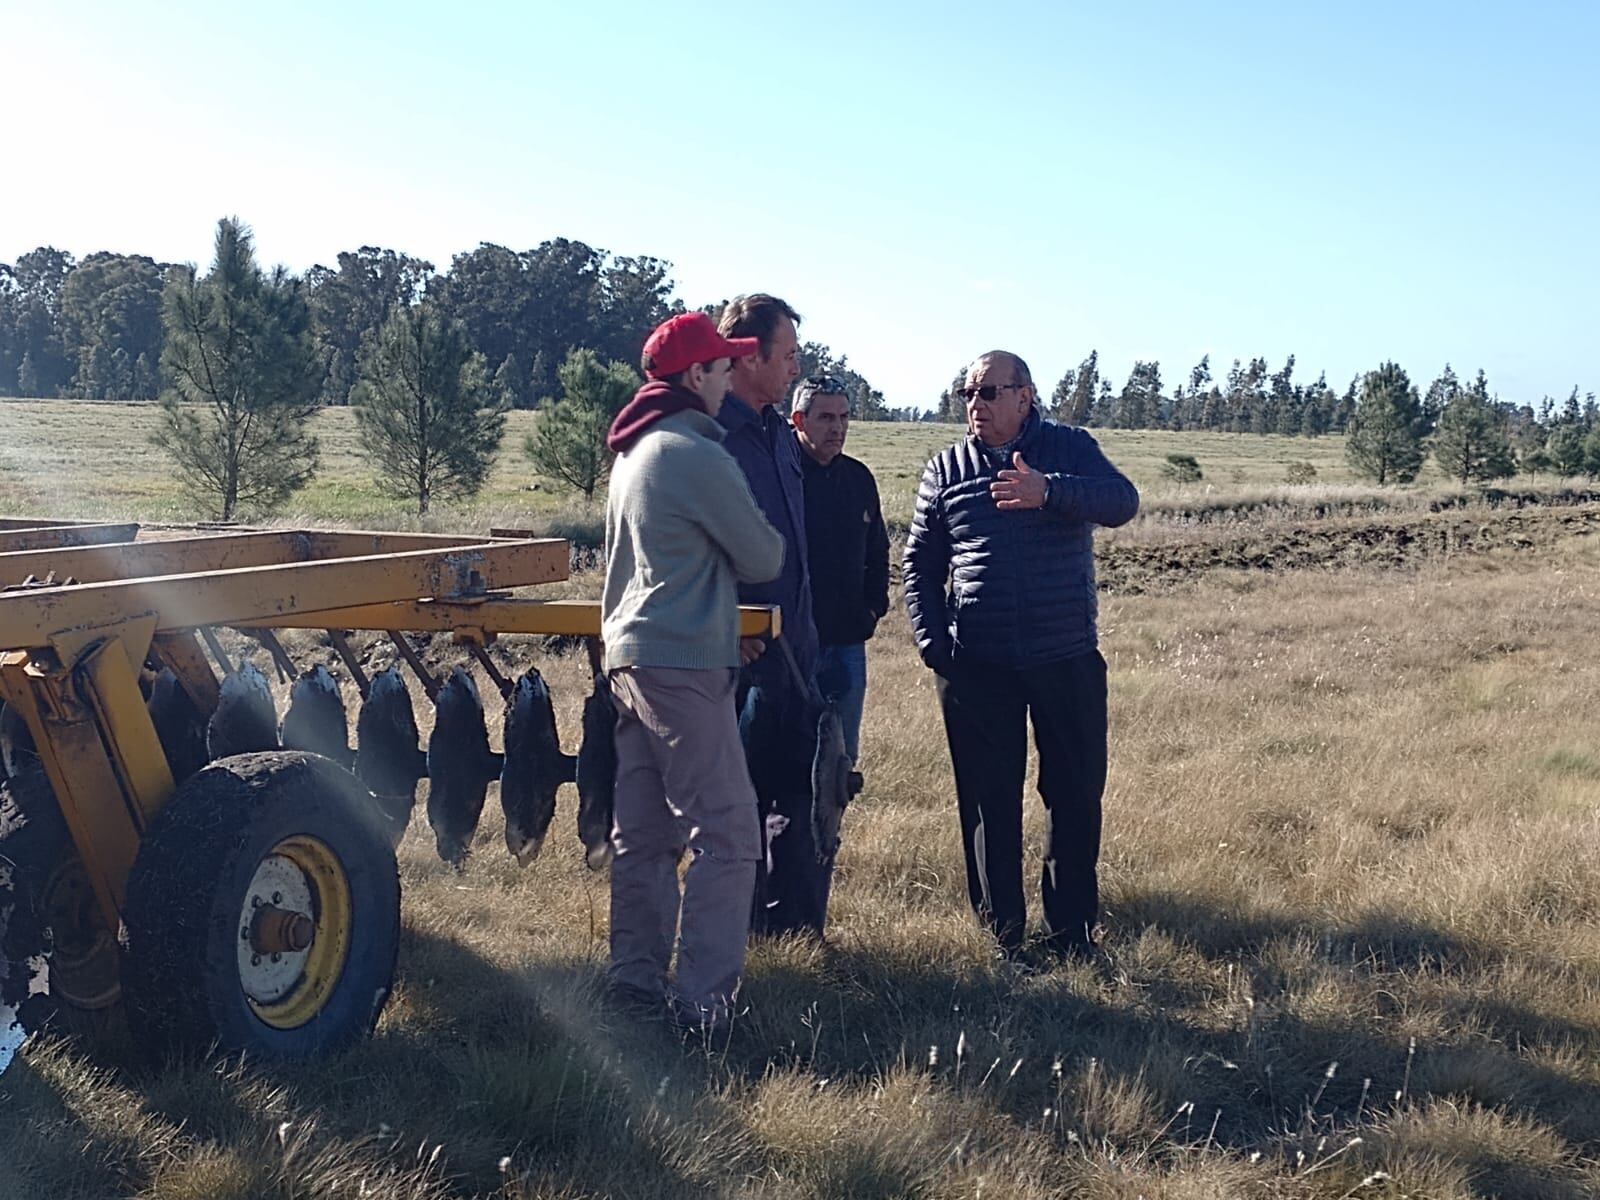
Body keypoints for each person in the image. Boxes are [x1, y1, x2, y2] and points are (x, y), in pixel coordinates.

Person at [903, 350, 1139, 963]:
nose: (974, 405)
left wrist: (1048, 491)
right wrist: (933, 643)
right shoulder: (946, 468)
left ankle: (1072, 932)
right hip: (977, 663)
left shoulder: (1069, 448)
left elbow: (1121, 501)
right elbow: (920, 564)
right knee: (988, 798)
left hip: (1065, 655)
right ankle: (1002, 935)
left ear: (1025, 396)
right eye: (967, 393)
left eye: (987, 392)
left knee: (1075, 793)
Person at [601, 311, 785, 1034]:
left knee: (643, 833)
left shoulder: (634, 449)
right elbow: (764, 557)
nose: (730, 378)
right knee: (730, 834)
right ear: (693, 377)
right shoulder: (693, 451)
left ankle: (634, 985)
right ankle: (704, 1009)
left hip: (629, 660)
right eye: (720, 368)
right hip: (682, 662)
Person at [713, 293, 830, 938]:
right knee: (738, 802)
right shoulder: (711, 437)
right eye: (785, 355)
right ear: (748, 355)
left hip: (794, 649)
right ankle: (740, 931)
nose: (793, 367)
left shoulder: (778, 437)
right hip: (736, 655)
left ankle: (798, 930)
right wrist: (731, 622)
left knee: (799, 791)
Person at [790, 373, 889, 764]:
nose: (838, 428)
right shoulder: (783, 478)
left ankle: (829, 828)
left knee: (841, 759)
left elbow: (878, 551)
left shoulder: (858, 478)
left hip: (848, 640)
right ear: (799, 420)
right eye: (827, 418)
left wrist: (872, 608)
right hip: (792, 644)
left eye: (844, 417)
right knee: (788, 754)